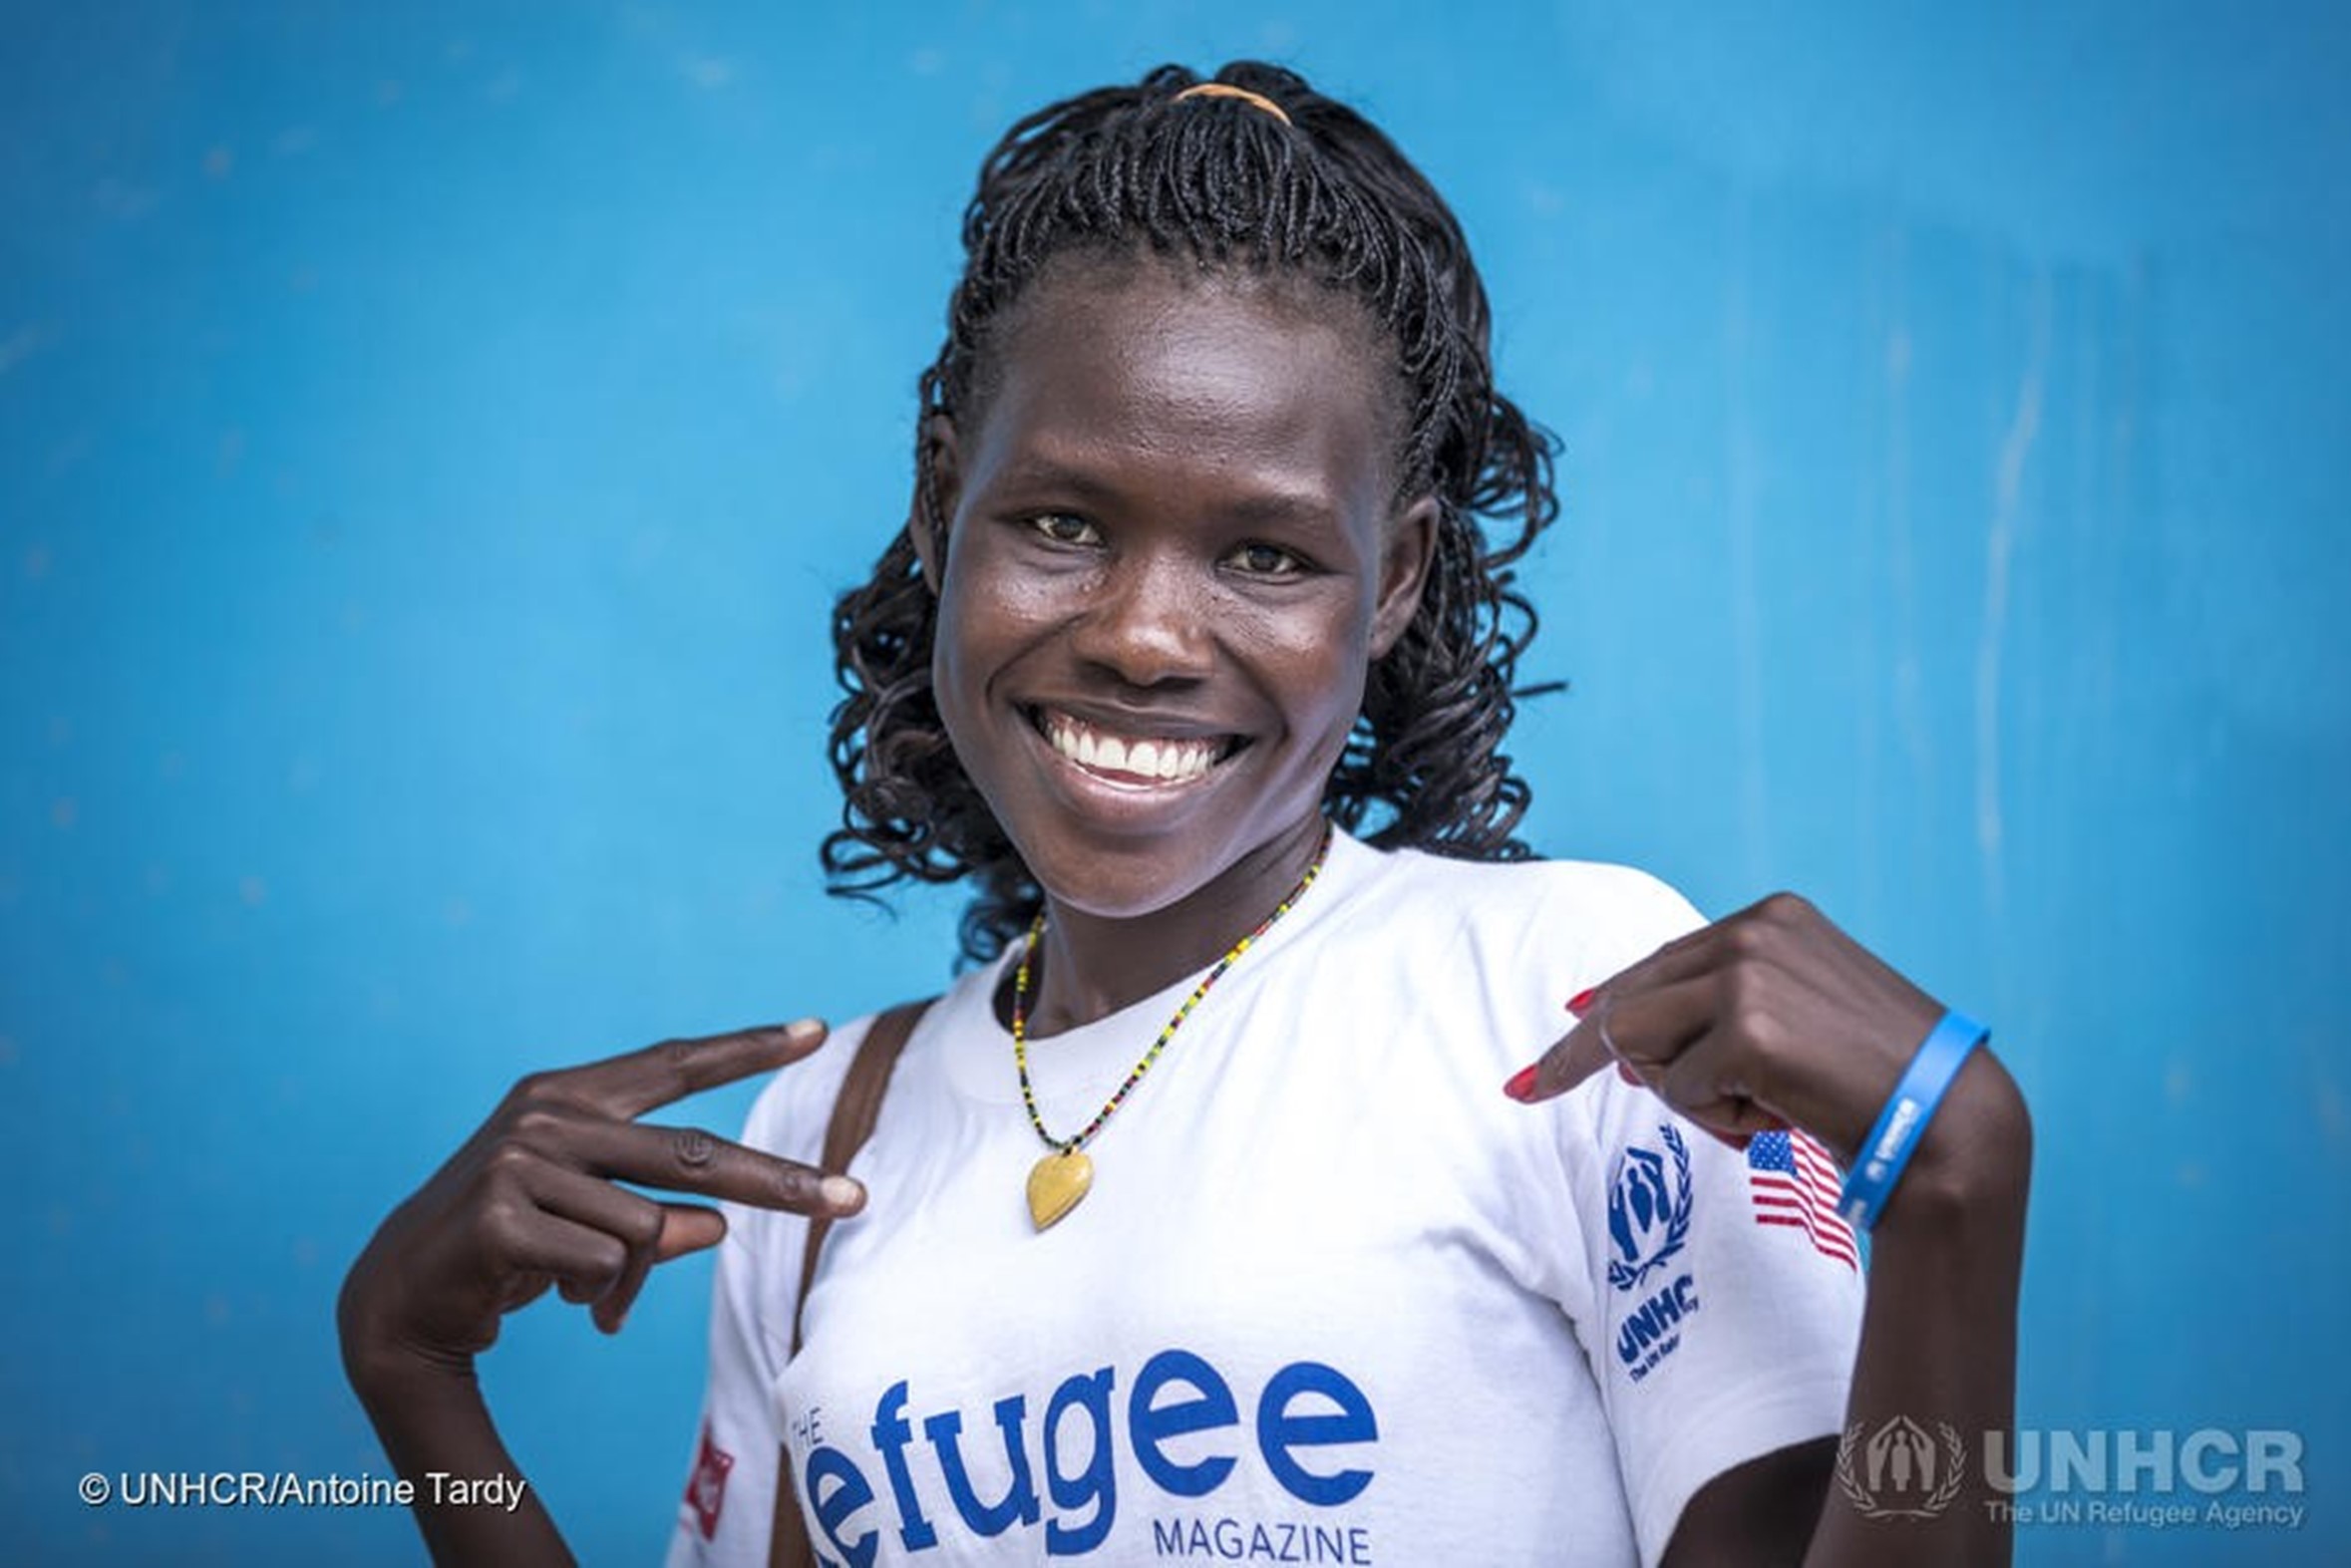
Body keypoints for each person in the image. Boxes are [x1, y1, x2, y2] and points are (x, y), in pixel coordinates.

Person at [339, 62, 2031, 1567]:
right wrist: (418, 1385)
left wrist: (1956, 1174)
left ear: (1396, 579)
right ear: (940, 500)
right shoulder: (821, 1136)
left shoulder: (1574, 1005)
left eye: (1267, 553)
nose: (1146, 635)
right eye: (1064, 524)